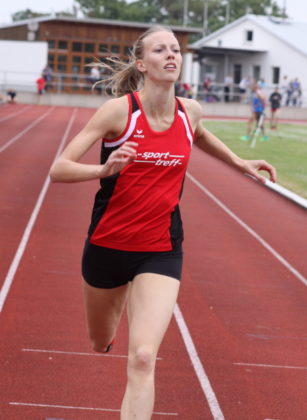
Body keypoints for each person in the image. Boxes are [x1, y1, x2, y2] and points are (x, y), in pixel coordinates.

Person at [49, 26, 276, 420]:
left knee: (141, 357)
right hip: (107, 246)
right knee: (99, 340)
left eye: (175, 49)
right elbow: (58, 169)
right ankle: (109, 324)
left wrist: (240, 163)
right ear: (142, 63)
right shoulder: (120, 112)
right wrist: (104, 168)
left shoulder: (190, 111)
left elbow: (199, 135)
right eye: (160, 50)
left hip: (160, 250)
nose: (172, 55)